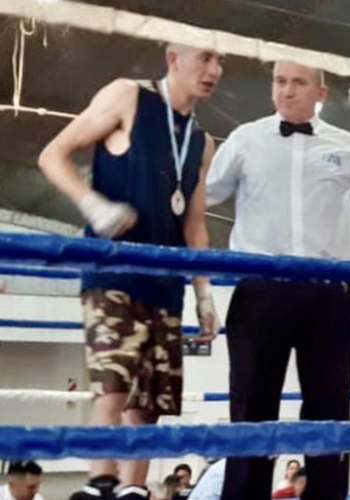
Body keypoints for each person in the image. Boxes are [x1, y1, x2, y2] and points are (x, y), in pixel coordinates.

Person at [207, 60, 350, 500]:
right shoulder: (244, 140)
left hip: (328, 294)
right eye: (279, 81)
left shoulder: (345, 145)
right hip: (261, 288)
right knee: (250, 411)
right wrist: (172, 161)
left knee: (330, 412)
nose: (287, 91)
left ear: (321, 92)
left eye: (298, 82)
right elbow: (204, 192)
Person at [37, 44, 223, 500]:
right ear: (173, 57)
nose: (214, 70)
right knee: (113, 385)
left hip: (167, 280)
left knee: (151, 402)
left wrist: (204, 293)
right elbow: (52, 154)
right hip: (112, 271)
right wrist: (91, 204)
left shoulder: (202, 141)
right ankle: (99, 483)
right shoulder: (128, 97)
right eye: (204, 57)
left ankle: (133, 491)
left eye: (221, 60)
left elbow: (195, 222)